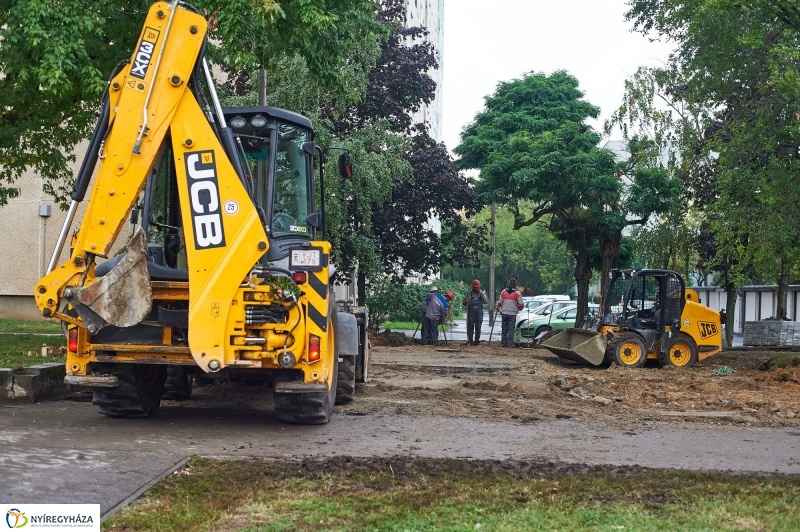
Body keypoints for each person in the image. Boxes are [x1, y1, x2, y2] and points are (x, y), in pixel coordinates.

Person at [496, 278, 524, 348]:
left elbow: (499, 303)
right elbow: (521, 305)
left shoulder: (503, 292)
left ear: (509, 283)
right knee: (511, 330)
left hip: (504, 313)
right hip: (512, 314)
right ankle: (509, 344)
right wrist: (519, 308)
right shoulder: (517, 293)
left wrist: (499, 308)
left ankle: (503, 344)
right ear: (515, 284)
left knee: (504, 329)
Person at [464, 279, 488, 345]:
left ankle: (477, 340)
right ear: (473, 287)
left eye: (478, 287)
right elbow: (464, 303)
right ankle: (470, 340)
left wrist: (482, 294)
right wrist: (466, 301)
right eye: (475, 287)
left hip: (479, 313)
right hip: (471, 313)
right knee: (470, 326)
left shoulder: (482, 294)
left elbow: (486, 301)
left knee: (478, 327)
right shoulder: (469, 294)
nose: (477, 289)